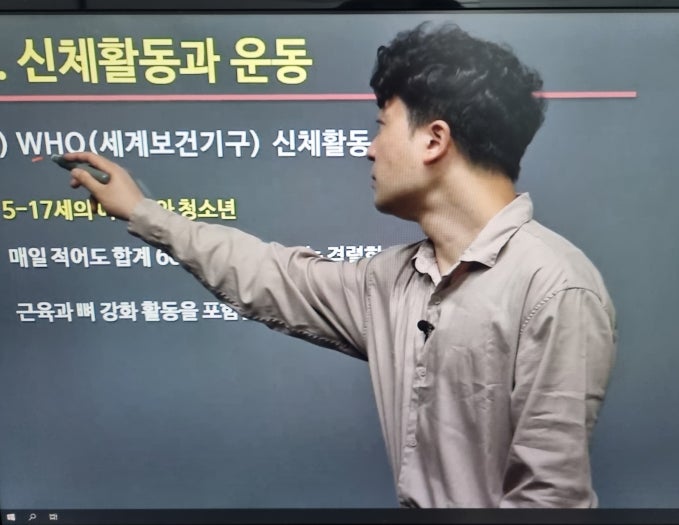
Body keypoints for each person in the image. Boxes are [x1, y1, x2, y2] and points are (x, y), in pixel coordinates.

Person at [66, 23, 617, 508]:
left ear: (434, 140)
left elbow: (551, 500)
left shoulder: (555, 288)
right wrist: (141, 211)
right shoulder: (392, 281)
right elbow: (271, 274)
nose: (370, 149)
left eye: (382, 125)